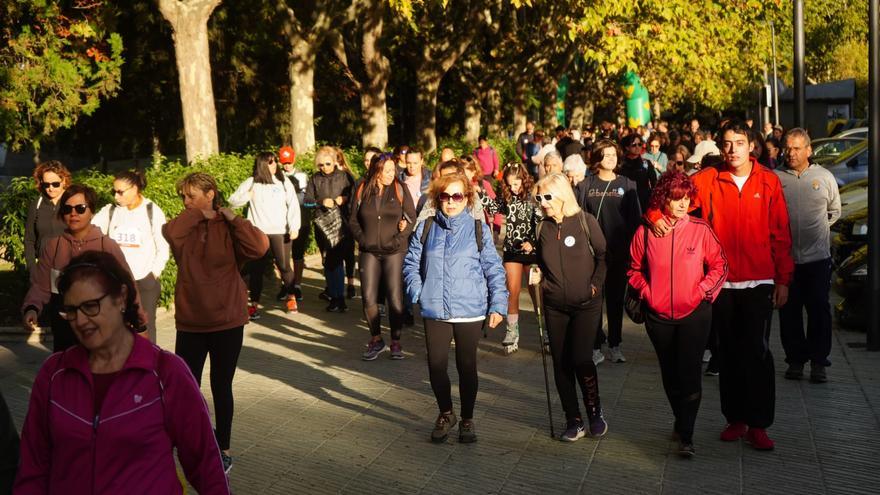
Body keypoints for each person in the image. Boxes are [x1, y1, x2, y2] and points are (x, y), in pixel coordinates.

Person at [14, 251, 230, 493]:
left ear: (121, 298)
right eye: (72, 311)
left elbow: (206, 464)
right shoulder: (54, 374)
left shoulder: (165, 372)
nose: (81, 321)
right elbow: (33, 465)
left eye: (91, 306)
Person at [647, 120, 793, 451]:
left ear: (751, 145)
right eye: (726, 143)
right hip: (719, 284)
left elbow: (781, 234)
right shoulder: (707, 179)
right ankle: (736, 418)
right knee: (727, 353)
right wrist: (656, 219)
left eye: (738, 143)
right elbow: (667, 198)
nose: (732, 150)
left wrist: (784, 279)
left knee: (757, 352)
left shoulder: (768, 181)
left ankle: (758, 424)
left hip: (759, 281)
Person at [163, 172, 269, 473]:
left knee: (221, 386)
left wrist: (233, 218)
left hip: (227, 321)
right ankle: (189, 440)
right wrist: (197, 213)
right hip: (191, 321)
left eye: (191, 196)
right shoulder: (184, 225)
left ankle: (223, 447)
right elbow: (170, 234)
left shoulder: (229, 227)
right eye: (183, 196)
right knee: (187, 388)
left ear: (211, 194)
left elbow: (259, 247)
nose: (185, 202)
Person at [629, 171, 728, 457]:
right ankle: (680, 418)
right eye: (677, 198)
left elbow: (720, 265)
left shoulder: (700, 229)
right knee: (670, 374)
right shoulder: (646, 231)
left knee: (689, 373)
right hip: (658, 316)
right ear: (664, 199)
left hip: (695, 315)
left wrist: (703, 292)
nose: (684, 203)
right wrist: (648, 292)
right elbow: (633, 269)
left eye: (687, 198)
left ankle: (687, 433)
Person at [403, 172, 507, 444]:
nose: (450, 202)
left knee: (466, 365)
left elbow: (493, 269)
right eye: (444, 196)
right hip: (435, 306)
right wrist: (418, 292)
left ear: (467, 198)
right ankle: (446, 413)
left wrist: (498, 305)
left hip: (470, 307)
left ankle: (468, 418)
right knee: (436, 365)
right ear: (437, 198)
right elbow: (411, 263)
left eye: (457, 196)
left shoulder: (478, 228)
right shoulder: (426, 226)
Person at [530, 173, 608, 441]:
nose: (542, 202)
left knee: (581, 359)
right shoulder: (542, 227)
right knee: (561, 364)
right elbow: (541, 261)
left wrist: (594, 286)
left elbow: (602, 257)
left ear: (562, 195)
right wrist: (538, 274)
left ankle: (594, 412)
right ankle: (573, 419)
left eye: (547, 197)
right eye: (539, 198)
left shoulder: (586, 222)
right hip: (554, 305)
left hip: (587, 304)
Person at [22, 184, 145, 352]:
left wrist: (137, 316)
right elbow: (41, 284)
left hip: (100, 326)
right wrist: (32, 308)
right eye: (67, 209)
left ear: (92, 211)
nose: (73, 214)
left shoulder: (106, 245)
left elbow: (127, 284)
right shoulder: (54, 246)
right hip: (64, 326)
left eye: (80, 208)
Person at [775, 128, 841, 383]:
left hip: (817, 260)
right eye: (787, 148)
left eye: (796, 148)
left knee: (819, 312)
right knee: (789, 312)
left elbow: (834, 212)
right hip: (787, 260)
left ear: (809, 150)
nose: (791, 153)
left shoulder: (824, 177)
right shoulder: (776, 177)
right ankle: (795, 360)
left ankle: (818, 362)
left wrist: (817, 233)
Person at [577, 140, 641, 365]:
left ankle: (615, 344)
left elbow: (635, 222)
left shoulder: (628, 184)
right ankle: (595, 346)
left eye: (614, 154)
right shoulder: (585, 185)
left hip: (619, 253)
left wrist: (636, 255)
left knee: (615, 302)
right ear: (596, 159)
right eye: (606, 155)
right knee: (594, 300)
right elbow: (579, 219)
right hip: (592, 254)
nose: (611, 158)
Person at [349, 154, 416, 360]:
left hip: (395, 251)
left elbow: (411, 218)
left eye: (392, 170)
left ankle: (396, 341)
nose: (391, 174)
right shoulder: (362, 188)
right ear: (376, 171)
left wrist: (398, 239)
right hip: (369, 251)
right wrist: (363, 240)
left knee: (395, 298)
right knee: (368, 297)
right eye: (387, 170)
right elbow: (352, 220)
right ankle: (376, 339)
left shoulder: (400, 188)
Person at [92, 170, 170, 343]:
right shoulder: (110, 211)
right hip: (116, 281)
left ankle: (149, 367)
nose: (116, 196)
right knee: (117, 330)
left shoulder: (151, 210)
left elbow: (163, 247)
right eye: (114, 191)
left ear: (135, 188)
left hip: (145, 281)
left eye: (121, 191)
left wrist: (154, 273)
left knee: (145, 331)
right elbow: (91, 231)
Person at [228, 152, 301, 318]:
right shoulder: (252, 182)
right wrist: (248, 195)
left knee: (283, 266)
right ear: (262, 165)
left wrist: (294, 226)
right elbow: (232, 200)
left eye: (275, 162)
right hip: (258, 232)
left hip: (280, 231)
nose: (275, 164)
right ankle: (254, 305)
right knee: (256, 269)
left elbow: (293, 204)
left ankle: (291, 297)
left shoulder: (283, 182)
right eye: (271, 162)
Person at [480, 163, 540, 352]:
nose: (513, 188)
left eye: (516, 184)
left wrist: (532, 242)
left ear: (524, 180)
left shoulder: (534, 197)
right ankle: (512, 331)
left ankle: (545, 329)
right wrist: (479, 193)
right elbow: (493, 206)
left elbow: (541, 224)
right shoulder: (507, 198)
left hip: (532, 251)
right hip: (512, 250)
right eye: (509, 185)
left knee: (536, 292)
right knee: (511, 291)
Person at [304, 146, 355, 311]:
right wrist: (321, 202)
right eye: (320, 165)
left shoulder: (345, 176)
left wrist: (344, 198)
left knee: (337, 260)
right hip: (322, 225)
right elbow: (307, 201)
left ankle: (338, 298)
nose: (324, 168)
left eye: (327, 164)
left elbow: (356, 197)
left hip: (342, 224)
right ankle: (333, 295)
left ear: (335, 162)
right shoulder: (315, 179)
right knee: (328, 261)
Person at [24, 161, 70, 274]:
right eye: (46, 184)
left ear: (63, 181)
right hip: (44, 268)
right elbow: (29, 239)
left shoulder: (72, 202)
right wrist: (32, 268)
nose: (50, 188)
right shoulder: (37, 204)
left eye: (55, 184)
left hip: (70, 267)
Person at [279, 145, 311, 302]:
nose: (287, 165)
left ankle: (297, 285)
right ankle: (285, 285)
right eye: (284, 162)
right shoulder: (277, 177)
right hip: (281, 222)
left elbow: (305, 200)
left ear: (294, 160)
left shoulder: (302, 176)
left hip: (300, 221)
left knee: (298, 255)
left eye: (289, 162)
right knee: (282, 256)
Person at [335, 148, 360, 299]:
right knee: (334, 253)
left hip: (346, 217)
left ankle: (350, 283)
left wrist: (344, 199)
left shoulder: (347, 175)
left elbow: (352, 198)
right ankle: (334, 285)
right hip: (332, 219)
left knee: (348, 253)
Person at [618, 134, 659, 211]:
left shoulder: (646, 163)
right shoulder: (621, 165)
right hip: (626, 203)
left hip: (644, 203)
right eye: (634, 145)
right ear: (627, 147)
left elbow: (654, 183)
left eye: (639, 144)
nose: (637, 147)